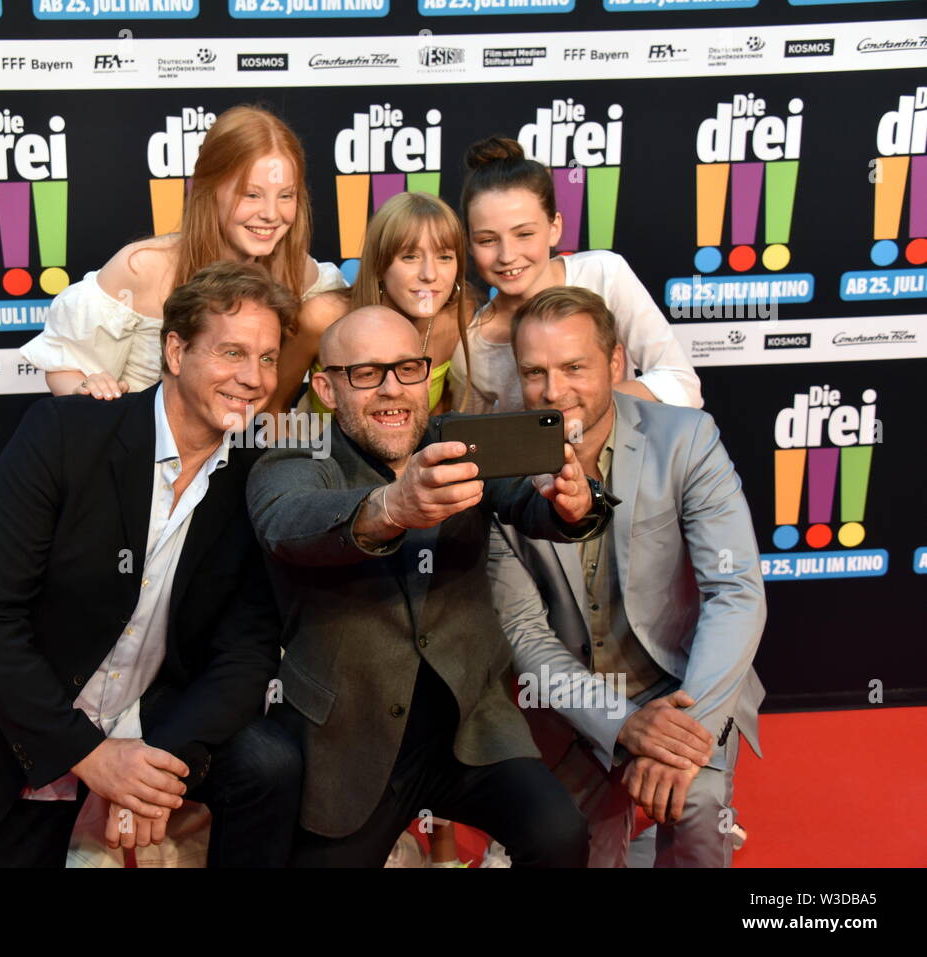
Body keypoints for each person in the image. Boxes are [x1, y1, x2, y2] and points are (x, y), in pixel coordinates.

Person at [0, 262, 303, 867]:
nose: (252, 378)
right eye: (232, 353)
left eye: (267, 358)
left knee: (270, 765)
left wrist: (153, 769)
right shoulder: (66, 432)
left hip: (150, 710)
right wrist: (91, 757)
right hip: (22, 717)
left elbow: (246, 652)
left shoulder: (256, 476)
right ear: (175, 349)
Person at [245, 304, 616, 868]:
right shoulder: (296, 455)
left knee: (558, 834)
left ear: (428, 374)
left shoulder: (458, 440)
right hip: (351, 743)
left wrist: (575, 505)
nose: (392, 390)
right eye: (366, 373)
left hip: (473, 727)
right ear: (325, 386)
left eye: (408, 369)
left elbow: (531, 497)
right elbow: (289, 523)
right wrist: (390, 507)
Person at [488, 285, 766, 867]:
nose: (553, 390)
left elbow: (734, 591)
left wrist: (682, 734)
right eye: (534, 371)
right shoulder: (498, 474)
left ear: (615, 362)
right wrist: (622, 725)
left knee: (696, 806)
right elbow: (524, 634)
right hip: (570, 706)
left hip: (683, 686)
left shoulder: (686, 440)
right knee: (571, 842)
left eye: (574, 367)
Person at [19, 104, 345, 400]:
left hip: (248, 453)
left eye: (285, 196)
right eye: (252, 195)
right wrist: (85, 389)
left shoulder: (301, 273)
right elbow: (67, 367)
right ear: (207, 188)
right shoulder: (142, 268)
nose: (272, 214)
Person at [450, 135, 702, 415]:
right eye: (487, 240)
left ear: (554, 227)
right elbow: (477, 442)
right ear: (469, 243)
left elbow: (683, 387)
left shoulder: (604, 274)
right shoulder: (471, 346)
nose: (507, 255)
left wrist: (585, 401)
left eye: (524, 234)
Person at [270, 191, 472, 417]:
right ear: (379, 264)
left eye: (444, 257)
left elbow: (435, 418)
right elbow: (273, 410)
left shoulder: (456, 318)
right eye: (410, 257)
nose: (429, 274)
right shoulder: (321, 318)